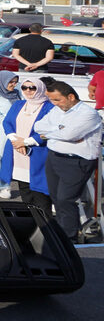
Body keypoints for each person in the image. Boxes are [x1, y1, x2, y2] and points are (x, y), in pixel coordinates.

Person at [33, 80, 103, 242]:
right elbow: (38, 126)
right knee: (56, 197)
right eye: (51, 100)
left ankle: (69, 237)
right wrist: (59, 130)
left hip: (76, 162)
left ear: (70, 96)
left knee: (66, 199)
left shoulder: (88, 114)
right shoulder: (57, 111)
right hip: (54, 157)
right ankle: (64, 231)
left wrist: (52, 132)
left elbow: (70, 135)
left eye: (57, 99)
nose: (54, 103)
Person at [0, 77, 55, 214]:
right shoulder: (19, 104)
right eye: (25, 87)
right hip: (18, 153)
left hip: (38, 155)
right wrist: (15, 141)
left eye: (32, 87)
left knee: (41, 195)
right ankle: (30, 223)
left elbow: (51, 130)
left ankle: (45, 229)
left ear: (40, 88)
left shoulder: (50, 107)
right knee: (25, 192)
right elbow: (7, 123)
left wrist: (25, 142)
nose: (28, 91)